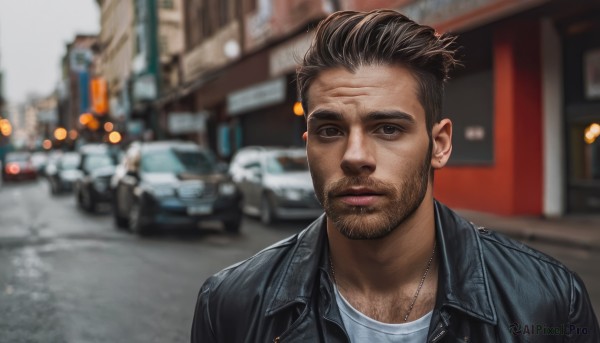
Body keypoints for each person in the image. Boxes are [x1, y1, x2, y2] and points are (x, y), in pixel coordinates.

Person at [191, 9, 599, 342]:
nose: (354, 157)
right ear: (308, 144)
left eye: (388, 128)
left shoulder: (549, 303)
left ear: (439, 145)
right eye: (330, 130)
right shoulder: (232, 306)